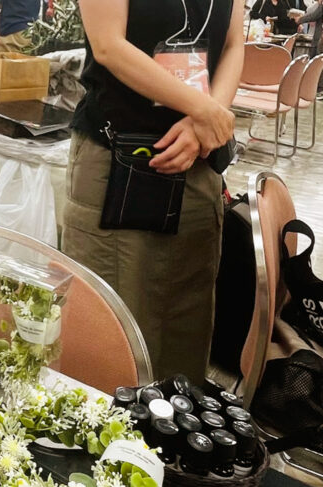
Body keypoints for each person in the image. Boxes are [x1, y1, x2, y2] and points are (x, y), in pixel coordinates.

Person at [62, 0, 244, 384]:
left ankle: (176, 420)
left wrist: (207, 120)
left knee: (186, 329)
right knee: (109, 332)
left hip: (197, 160)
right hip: (117, 160)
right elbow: (108, 45)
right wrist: (205, 112)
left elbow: (232, 44)